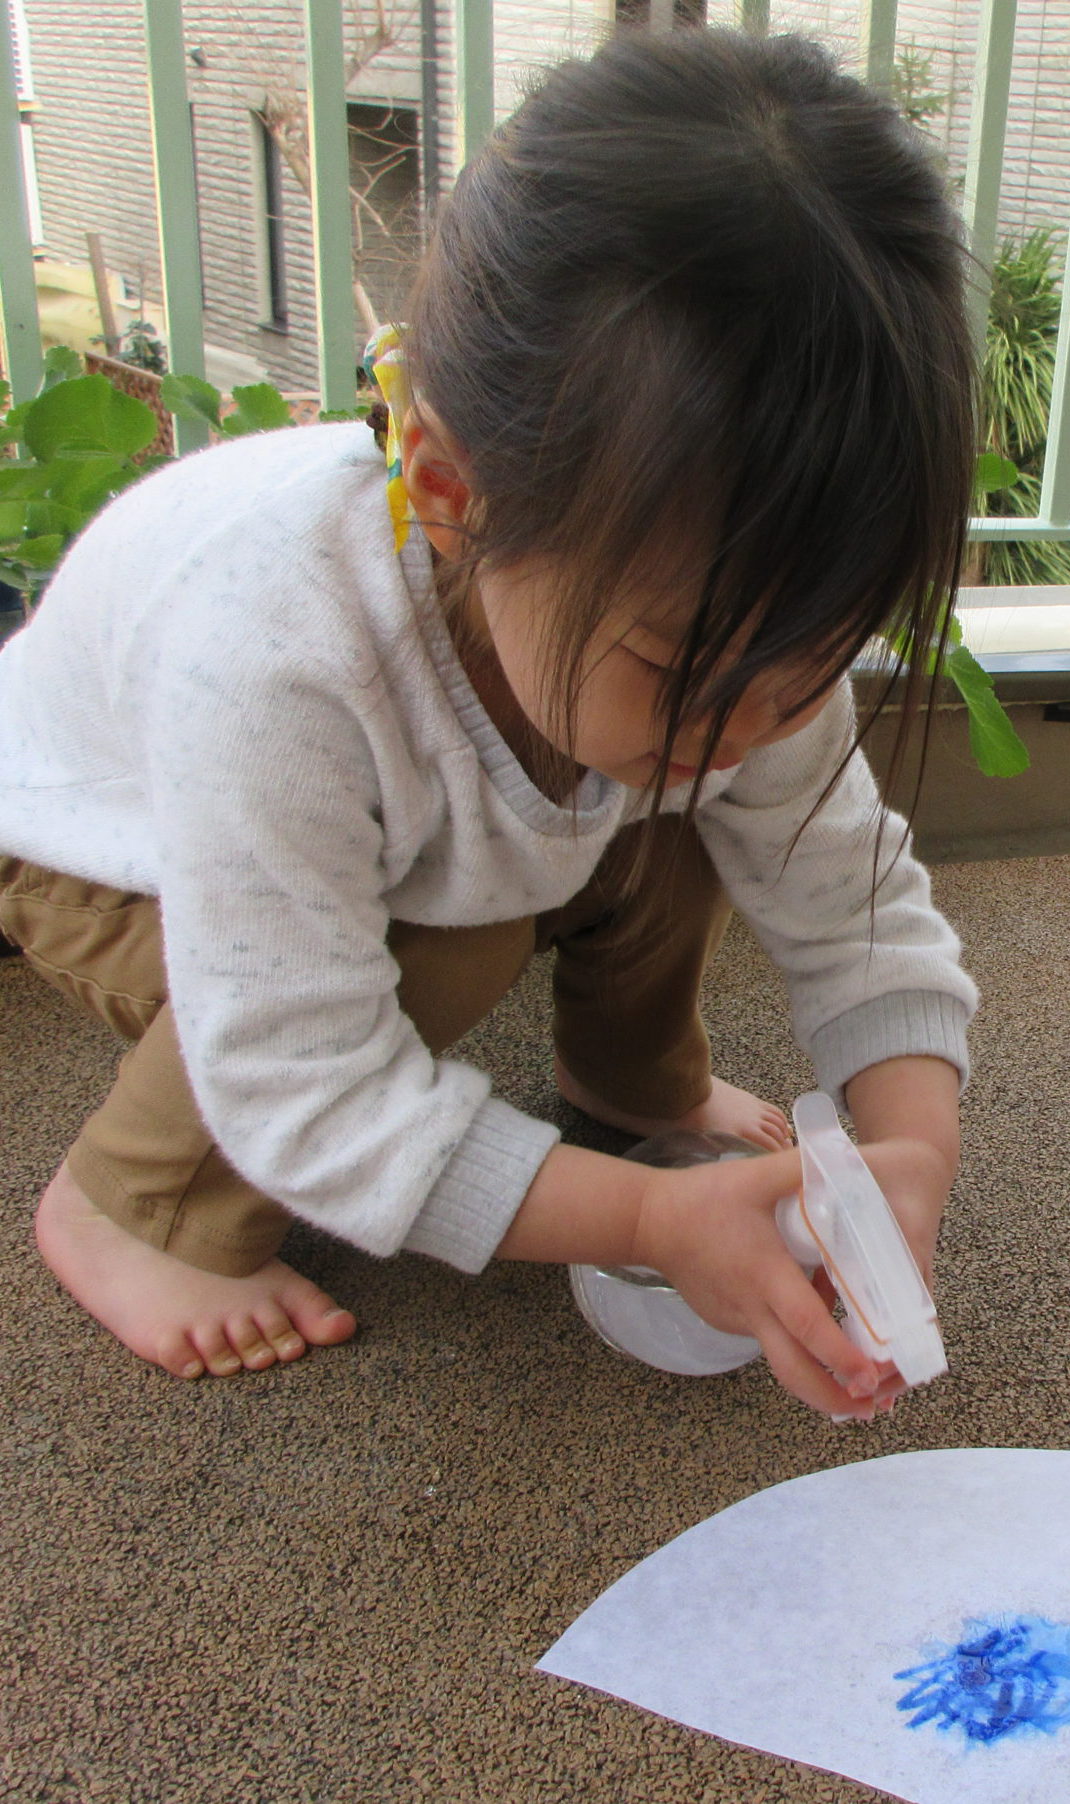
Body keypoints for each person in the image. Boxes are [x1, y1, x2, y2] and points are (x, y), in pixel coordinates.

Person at [0, 29, 980, 1421]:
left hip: (408, 804)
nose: (755, 722)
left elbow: (858, 910)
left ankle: (630, 1080)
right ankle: (130, 1206)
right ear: (454, 494)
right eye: (689, 670)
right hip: (103, 849)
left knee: (695, 805)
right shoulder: (283, 658)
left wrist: (909, 1157)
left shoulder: (729, 653)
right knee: (449, 945)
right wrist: (645, 1228)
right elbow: (306, 1075)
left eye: (807, 668)